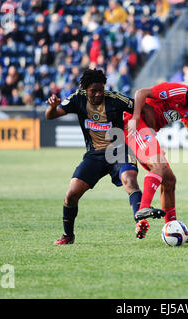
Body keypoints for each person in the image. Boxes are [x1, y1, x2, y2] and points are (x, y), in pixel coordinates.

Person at [45, 68, 143, 245]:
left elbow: (140, 104)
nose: (98, 94)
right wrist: (52, 107)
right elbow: (51, 116)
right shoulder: (77, 98)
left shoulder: (115, 99)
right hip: (94, 155)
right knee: (71, 195)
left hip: (119, 151)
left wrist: (140, 126)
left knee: (130, 180)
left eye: (101, 90)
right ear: (85, 89)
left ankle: (140, 222)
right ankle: (68, 236)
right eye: (93, 91)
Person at [125, 78, 188, 242]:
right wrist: (135, 117)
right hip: (135, 126)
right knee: (158, 165)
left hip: (148, 130)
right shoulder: (177, 91)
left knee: (169, 181)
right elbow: (141, 93)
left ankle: (173, 228)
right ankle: (143, 212)